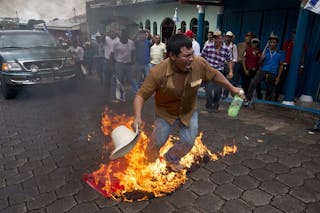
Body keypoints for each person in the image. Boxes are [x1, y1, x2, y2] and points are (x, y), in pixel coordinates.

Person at [133, 34, 244, 172]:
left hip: (188, 111)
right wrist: (137, 117)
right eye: (186, 56)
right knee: (157, 142)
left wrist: (232, 88)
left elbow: (215, 74)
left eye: (192, 54)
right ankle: (146, 163)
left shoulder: (199, 63)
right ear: (172, 56)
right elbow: (141, 95)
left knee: (188, 142)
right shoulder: (157, 72)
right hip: (165, 113)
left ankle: (171, 159)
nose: (191, 59)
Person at [243, 34, 285, 106]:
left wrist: (278, 77)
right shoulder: (265, 51)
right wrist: (261, 59)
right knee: (254, 82)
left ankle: (267, 102)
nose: (272, 44)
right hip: (263, 70)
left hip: (273, 71)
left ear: (276, 43)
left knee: (270, 87)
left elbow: (281, 65)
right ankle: (247, 99)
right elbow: (259, 63)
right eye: (271, 42)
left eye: (274, 42)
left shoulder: (280, 53)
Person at [201, 30, 233, 112]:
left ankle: (215, 105)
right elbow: (202, 57)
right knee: (208, 90)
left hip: (219, 72)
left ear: (222, 39)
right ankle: (208, 105)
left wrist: (231, 71)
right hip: (209, 71)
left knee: (218, 91)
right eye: (216, 38)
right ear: (213, 39)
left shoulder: (226, 49)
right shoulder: (208, 47)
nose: (218, 40)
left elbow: (229, 60)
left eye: (219, 38)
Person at [274, 29, 305, 102]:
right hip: (286, 64)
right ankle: (276, 96)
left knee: (293, 81)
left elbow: (302, 55)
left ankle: (290, 97)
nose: (295, 34)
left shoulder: (302, 43)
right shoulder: (287, 42)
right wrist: (282, 63)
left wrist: (301, 66)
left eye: (296, 33)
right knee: (281, 80)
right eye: (294, 33)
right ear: (292, 34)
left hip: (295, 65)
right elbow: (283, 53)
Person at [112, 29, 138, 102]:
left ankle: (138, 94)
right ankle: (117, 96)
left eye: (126, 35)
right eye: (124, 34)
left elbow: (133, 52)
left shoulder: (131, 42)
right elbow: (112, 54)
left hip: (128, 64)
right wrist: (112, 66)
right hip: (119, 64)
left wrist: (133, 62)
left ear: (128, 35)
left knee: (132, 79)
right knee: (118, 80)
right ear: (121, 35)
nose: (125, 36)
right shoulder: (116, 43)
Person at [223, 31, 238, 98]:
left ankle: (225, 95)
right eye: (227, 36)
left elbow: (235, 58)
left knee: (228, 81)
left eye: (230, 37)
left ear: (231, 38)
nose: (228, 38)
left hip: (230, 65)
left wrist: (232, 65)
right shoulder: (222, 45)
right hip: (222, 64)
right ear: (225, 37)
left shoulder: (233, 46)